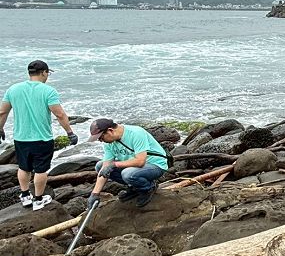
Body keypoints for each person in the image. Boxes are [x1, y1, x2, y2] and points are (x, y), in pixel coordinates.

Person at [0, 60, 77, 211]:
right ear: (43, 72)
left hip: (21, 138)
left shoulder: (13, 89)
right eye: (48, 73)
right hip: (42, 138)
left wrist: (0, 128)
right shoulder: (48, 91)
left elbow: (2, 112)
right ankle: (38, 199)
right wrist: (70, 133)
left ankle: (25, 196)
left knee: (23, 168)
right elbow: (59, 114)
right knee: (41, 170)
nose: (48, 76)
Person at [86, 118, 168, 208]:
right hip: (134, 166)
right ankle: (135, 188)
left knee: (128, 174)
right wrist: (95, 194)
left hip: (155, 165)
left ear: (110, 131)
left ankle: (148, 188)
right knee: (99, 166)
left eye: (101, 138)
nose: (101, 141)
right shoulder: (108, 143)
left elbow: (140, 161)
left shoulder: (136, 133)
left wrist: (115, 165)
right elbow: (105, 168)